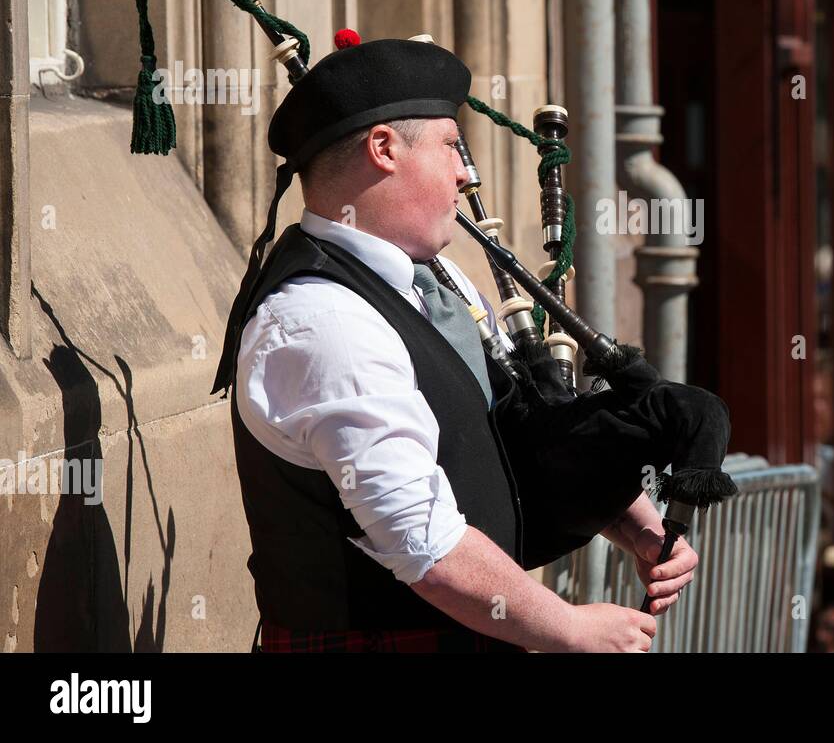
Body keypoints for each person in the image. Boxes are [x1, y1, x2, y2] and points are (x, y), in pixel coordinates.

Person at [211, 36, 697, 652]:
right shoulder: (322, 323)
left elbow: (511, 429)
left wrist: (626, 517)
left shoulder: (438, 281)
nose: (466, 172)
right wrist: (568, 628)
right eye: (450, 145)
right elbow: (422, 541)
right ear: (384, 149)